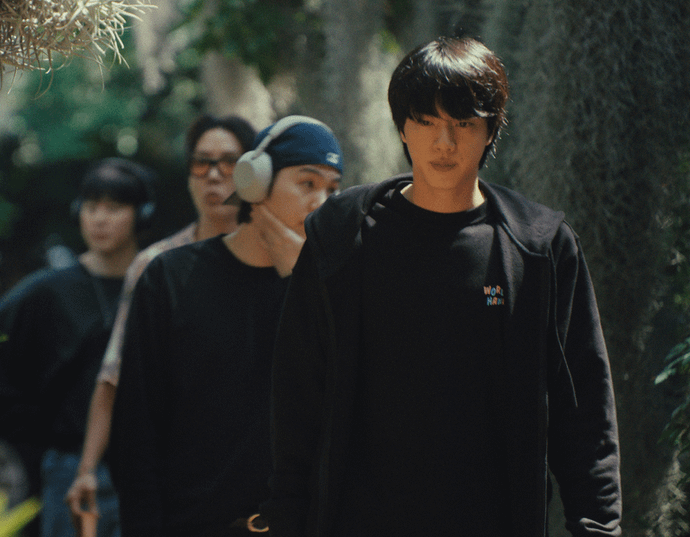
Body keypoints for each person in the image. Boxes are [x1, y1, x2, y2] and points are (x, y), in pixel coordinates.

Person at [263, 36, 622, 537]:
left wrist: (598, 527)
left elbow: (583, 413)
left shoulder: (539, 248)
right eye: (426, 121)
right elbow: (297, 400)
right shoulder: (341, 237)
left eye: (464, 123)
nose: (444, 142)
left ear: (491, 129)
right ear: (402, 128)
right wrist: (286, 521)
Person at [109, 116, 343, 537]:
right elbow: (136, 435)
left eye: (332, 189)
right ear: (255, 182)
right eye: (308, 183)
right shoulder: (170, 278)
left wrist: (305, 284)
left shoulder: (331, 290)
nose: (321, 202)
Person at [64, 115, 257, 536]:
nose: (214, 176)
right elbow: (113, 376)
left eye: (229, 162)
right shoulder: (156, 266)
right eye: (202, 162)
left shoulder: (277, 261)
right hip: (181, 486)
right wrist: (86, 469)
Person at [0, 158, 158, 537]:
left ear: (141, 215)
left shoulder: (156, 285)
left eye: (114, 208)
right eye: (91, 207)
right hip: (69, 465)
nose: (99, 219)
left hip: (146, 469)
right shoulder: (47, 290)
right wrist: (32, 436)